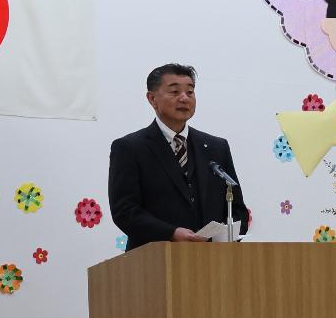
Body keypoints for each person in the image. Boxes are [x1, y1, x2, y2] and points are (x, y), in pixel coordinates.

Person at [107, 63, 250, 250]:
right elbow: (125, 211)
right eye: (174, 92)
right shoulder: (130, 148)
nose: (184, 98)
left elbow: (237, 209)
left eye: (190, 92)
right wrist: (171, 233)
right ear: (152, 99)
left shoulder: (216, 147)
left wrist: (224, 235)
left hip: (214, 260)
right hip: (154, 259)